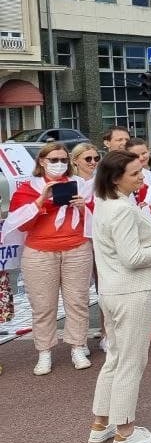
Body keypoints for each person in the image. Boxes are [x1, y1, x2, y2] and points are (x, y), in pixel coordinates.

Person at [87, 150, 151, 443]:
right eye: (135, 173)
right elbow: (133, 258)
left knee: (115, 358)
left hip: (113, 291)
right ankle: (125, 431)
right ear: (116, 179)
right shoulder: (122, 209)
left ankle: (102, 424)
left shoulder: (107, 204)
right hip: (131, 292)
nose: (142, 176)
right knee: (130, 361)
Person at [3, 142, 93, 375]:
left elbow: (97, 221)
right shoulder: (28, 189)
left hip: (77, 248)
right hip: (40, 251)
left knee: (78, 301)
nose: (59, 164)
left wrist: (84, 207)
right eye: (54, 160)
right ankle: (44, 352)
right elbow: (19, 224)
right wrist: (40, 200)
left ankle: (77, 346)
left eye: (64, 160)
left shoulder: (82, 186)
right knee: (43, 305)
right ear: (42, 162)